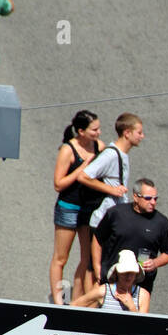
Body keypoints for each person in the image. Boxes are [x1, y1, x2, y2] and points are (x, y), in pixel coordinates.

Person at [49, 111, 103, 305]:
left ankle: (77, 301)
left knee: (87, 258)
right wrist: (82, 169)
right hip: (68, 208)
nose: (99, 133)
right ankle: (58, 301)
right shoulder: (68, 150)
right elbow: (58, 184)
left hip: (89, 209)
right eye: (94, 129)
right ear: (81, 131)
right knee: (61, 258)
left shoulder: (99, 147)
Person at [91, 177, 168, 295]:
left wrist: (155, 263)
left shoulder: (162, 223)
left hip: (141, 285)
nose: (153, 202)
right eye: (148, 198)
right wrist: (97, 268)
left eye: (155, 198)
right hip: (111, 279)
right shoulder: (116, 213)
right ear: (136, 197)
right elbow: (97, 239)